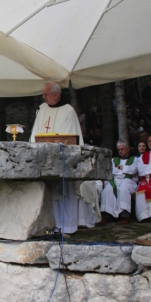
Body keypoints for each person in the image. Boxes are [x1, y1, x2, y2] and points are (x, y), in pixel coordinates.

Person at [29, 81, 86, 234]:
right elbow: (36, 134)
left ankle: (67, 227)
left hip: (63, 161)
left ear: (56, 95)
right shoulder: (41, 109)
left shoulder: (68, 111)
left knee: (64, 191)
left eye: (46, 94)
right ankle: (49, 226)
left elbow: (69, 137)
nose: (44, 97)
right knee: (48, 192)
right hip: (43, 159)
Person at [99, 141, 138, 225]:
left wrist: (119, 168)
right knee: (107, 190)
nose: (120, 151)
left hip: (129, 180)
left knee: (124, 190)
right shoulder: (114, 160)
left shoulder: (135, 159)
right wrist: (125, 170)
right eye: (119, 149)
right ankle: (106, 215)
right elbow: (113, 170)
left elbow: (133, 170)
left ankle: (124, 216)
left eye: (122, 149)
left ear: (127, 149)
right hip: (115, 180)